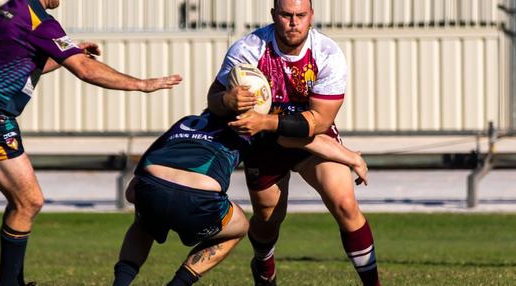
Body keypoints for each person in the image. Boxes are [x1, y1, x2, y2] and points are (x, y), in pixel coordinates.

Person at [0, 0, 182, 286]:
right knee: (30, 200)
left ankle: (10, 281)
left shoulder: (11, 11)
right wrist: (143, 84)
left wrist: (70, 52)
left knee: (21, 202)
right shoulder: (40, 19)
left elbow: (25, 61)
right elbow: (85, 71)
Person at [207, 0, 380, 286]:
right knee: (269, 219)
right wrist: (227, 101)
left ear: (311, 16)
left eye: (301, 16)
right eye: (286, 15)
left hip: (309, 139)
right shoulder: (248, 49)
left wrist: (266, 121)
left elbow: (316, 123)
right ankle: (263, 264)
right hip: (262, 145)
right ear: (274, 16)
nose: (293, 23)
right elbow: (213, 101)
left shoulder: (327, 54)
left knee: (345, 203)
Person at [112, 109, 369, 286]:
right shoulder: (252, 125)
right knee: (240, 227)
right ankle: (179, 283)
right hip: (200, 196)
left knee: (143, 223)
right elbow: (306, 141)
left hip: (151, 184)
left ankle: (121, 282)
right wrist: (351, 157)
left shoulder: (186, 121)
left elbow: (131, 192)